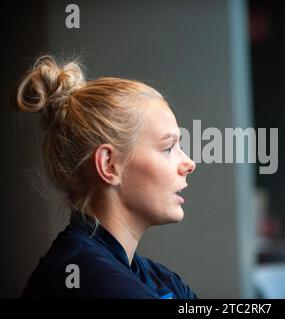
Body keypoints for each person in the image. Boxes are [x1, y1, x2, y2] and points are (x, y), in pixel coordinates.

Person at [13, 55, 197, 299]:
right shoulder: (90, 282)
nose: (189, 163)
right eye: (168, 148)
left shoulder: (160, 279)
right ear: (109, 165)